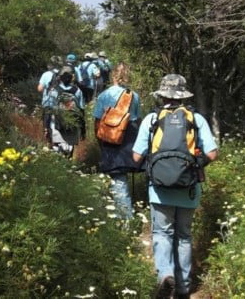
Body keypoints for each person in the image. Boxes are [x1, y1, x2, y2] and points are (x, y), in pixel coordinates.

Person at [132, 74, 218, 299]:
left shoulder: (151, 119)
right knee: (184, 235)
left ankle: (165, 275)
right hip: (188, 188)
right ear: (182, 96)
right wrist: (194, 164)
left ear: (161, 95)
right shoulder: (196, 119)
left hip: (159, 190)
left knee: (162, 233)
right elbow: (212, 153)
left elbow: (135, 157)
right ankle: (183, 287)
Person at [93, 62, 143, 220]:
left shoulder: (104, 95)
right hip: (129, 136)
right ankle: (124, 214)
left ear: (113, 76)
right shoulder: (134, 96)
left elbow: (97, 121)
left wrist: (100, 141)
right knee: (122, 174)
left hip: (110, 136)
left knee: (117, 177)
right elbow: (137, 119)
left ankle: (125, 219)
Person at [48, 65, 85, 157]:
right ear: (72, 77)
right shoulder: (77, 91)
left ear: (59, 77)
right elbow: (81, 110)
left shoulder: (54, 91)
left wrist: (46, 127)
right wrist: (83, 129)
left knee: (57, 152)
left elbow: (48, 109)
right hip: (72, 126)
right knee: (69, 150)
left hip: (57, 126)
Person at [37, 55, 63, 144]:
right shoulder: (62, 74)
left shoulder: (46, 74)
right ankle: (58, 141)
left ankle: (47, 139)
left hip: (47, 102)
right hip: (59, 103)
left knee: (46, 121)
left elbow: (40, 88)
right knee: (57, 122)